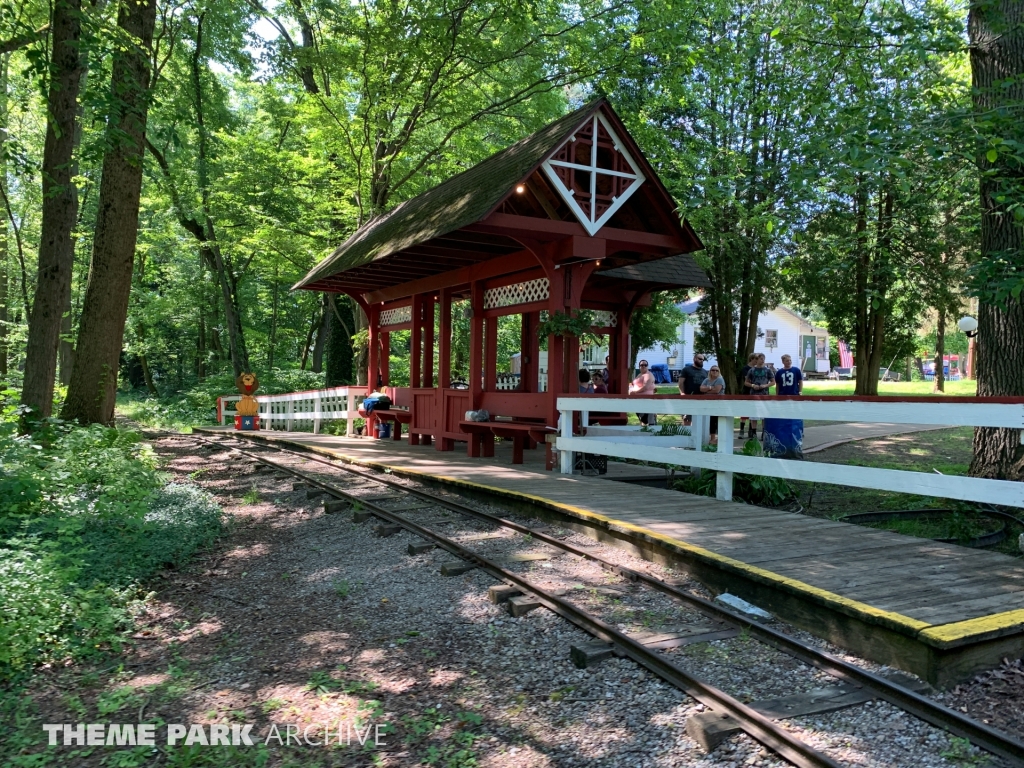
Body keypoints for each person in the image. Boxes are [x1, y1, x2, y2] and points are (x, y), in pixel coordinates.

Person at [744, 353, 773, 439]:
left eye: (763, 358)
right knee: (754, 415)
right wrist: (753, 385)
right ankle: (753, 432)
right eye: (760, 359)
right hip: (754, 394)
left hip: (764, 395)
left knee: (764, 414)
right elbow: (746, 382)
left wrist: (765, 385)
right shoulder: (752, 370)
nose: (762, 360)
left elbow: (773, 382)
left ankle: (764, 432)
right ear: (757, 360)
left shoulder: (768, 370)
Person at [678, 353, 707, 426]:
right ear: (694, 359)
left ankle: (697, 436)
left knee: (699, 419)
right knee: (687, 419)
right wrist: (682, 393)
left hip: (701, 398)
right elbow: (681, 382)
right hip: (688, 397)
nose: (701, 361)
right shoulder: (686, 369)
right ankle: (686, 436)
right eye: (700, 359)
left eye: (703, 360)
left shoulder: (705, 371)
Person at [699, 364, 725, 445]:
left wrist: (706, 390)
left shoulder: (720, 379)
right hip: (708, 403)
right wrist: (710, 388)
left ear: (719, 372)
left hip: (718, 403)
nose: (715, 372)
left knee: (716, 420)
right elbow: (701, 389)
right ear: (710, 371)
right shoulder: (706, 380)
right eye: (713, 370)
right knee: (710, 420)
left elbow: (717, 390)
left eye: (717, 370)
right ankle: (712, 439)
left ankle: (718, 439)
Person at [628, 359, 657, 425]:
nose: (643, 366)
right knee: (642, 419)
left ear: (647, 366)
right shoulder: (640, 374)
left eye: (645, 365)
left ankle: (652, 432)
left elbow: (645, 387)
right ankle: (643, 432)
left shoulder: (648, 375)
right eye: (641, 365)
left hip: (647, 401)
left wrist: (635, 392)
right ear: (639, 366)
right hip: (638, 401)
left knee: (649, 420)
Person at [738, 352, 758, 438]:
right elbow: (748, 379)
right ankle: (741, 430)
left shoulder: (758, 369)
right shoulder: (746, 368)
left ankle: (751, 430)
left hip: (756, 392)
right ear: (751, 359)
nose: (757, 361)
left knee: (753, 411)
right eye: (756, 359)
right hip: (747, 391)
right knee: (744, 411)